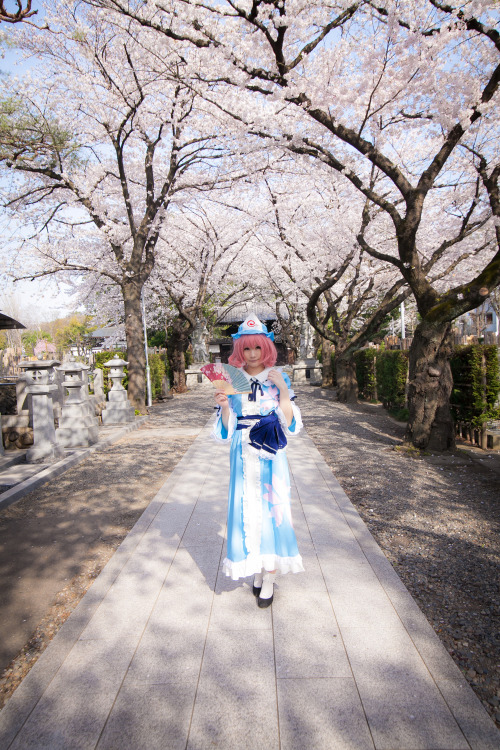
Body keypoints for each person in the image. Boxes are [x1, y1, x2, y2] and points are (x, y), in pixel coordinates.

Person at [212, 314, 304, 607]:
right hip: (241, 450)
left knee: (272, 506)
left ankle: (270, 576)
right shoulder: (233, 379)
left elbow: (291, 424)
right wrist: (225, 406)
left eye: (257, 348)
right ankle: (256, 565)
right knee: (245, 506)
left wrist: (285, 393)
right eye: (247, 349)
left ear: (267, 348)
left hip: (270, 448)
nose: (252, 355)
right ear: (240, 350)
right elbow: (226, 428)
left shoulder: (279, 378)